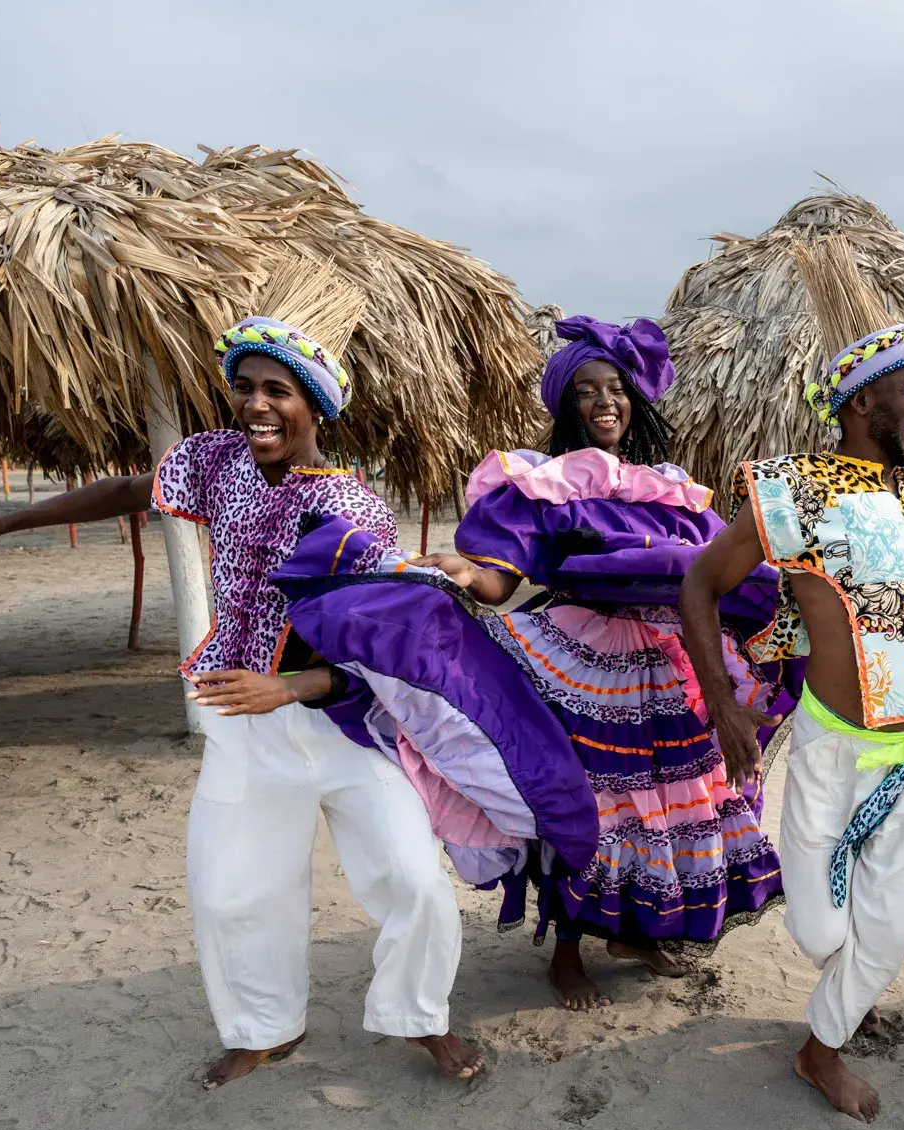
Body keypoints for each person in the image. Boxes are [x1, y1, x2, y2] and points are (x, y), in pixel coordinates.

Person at [0, 316, 484, 1090]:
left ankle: (423, 1018)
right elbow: (125, 489)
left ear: (314, 404)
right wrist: (2, 521)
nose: (255, 405)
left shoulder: (354, 510)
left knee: (411, 877)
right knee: (230, 884)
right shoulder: (216, 463)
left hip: (343, 727)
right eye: (243, 388)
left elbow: (375, 657)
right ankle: (265, 1027)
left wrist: (288, 685)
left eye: (277, 390)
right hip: (242, 721)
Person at [276, 316, 800, 1010]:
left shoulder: (673, 489)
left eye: (616, 388)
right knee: (585, 806)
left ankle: (633, 932)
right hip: (579, 658)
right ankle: (564, 953)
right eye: (587, 390)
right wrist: (469, 571)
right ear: (567, 406)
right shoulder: (542, 482)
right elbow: (502, 575)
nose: (605, 401)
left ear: (636, 402)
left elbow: (713, 573)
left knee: (666, 807)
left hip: (664, 664)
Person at [681, 322, 904, 1123]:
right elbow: (700, 583)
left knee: (883, 931)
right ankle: (848, 984)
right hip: (829, 744)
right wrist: (723, 702)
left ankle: (822, 1048)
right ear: (864, 401)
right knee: (821, 924)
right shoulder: (791, 489)